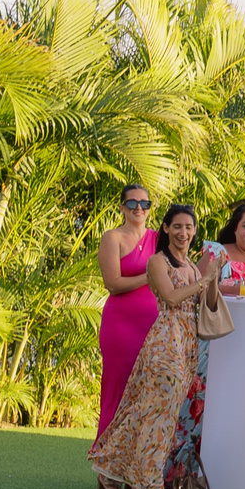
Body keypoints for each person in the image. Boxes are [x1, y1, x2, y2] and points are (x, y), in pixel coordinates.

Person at [89, 205, 213, 489]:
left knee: (165, 418)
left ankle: (144, 487)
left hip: (187, 343)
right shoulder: (157, 261)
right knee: (156, 419)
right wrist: (204, 280)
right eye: (178, 227)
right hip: (165, 344)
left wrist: (211, 278)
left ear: (195, 231)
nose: (184, 233)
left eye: (189, 227)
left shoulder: (194, 268)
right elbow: (171, 297)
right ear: (166, 229)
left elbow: (203, 301)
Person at [93, 182, 160, 460]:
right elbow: (113, 283)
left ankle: (135, 466)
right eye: (132, 203)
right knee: (117, 391)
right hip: (121, 326)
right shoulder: (113, 238)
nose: (138, 208)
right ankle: (105, 464)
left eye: (144, 204)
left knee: (147, 394)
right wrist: (152, 274)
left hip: (154, 326)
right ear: (122, 207)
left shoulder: (159, 238)